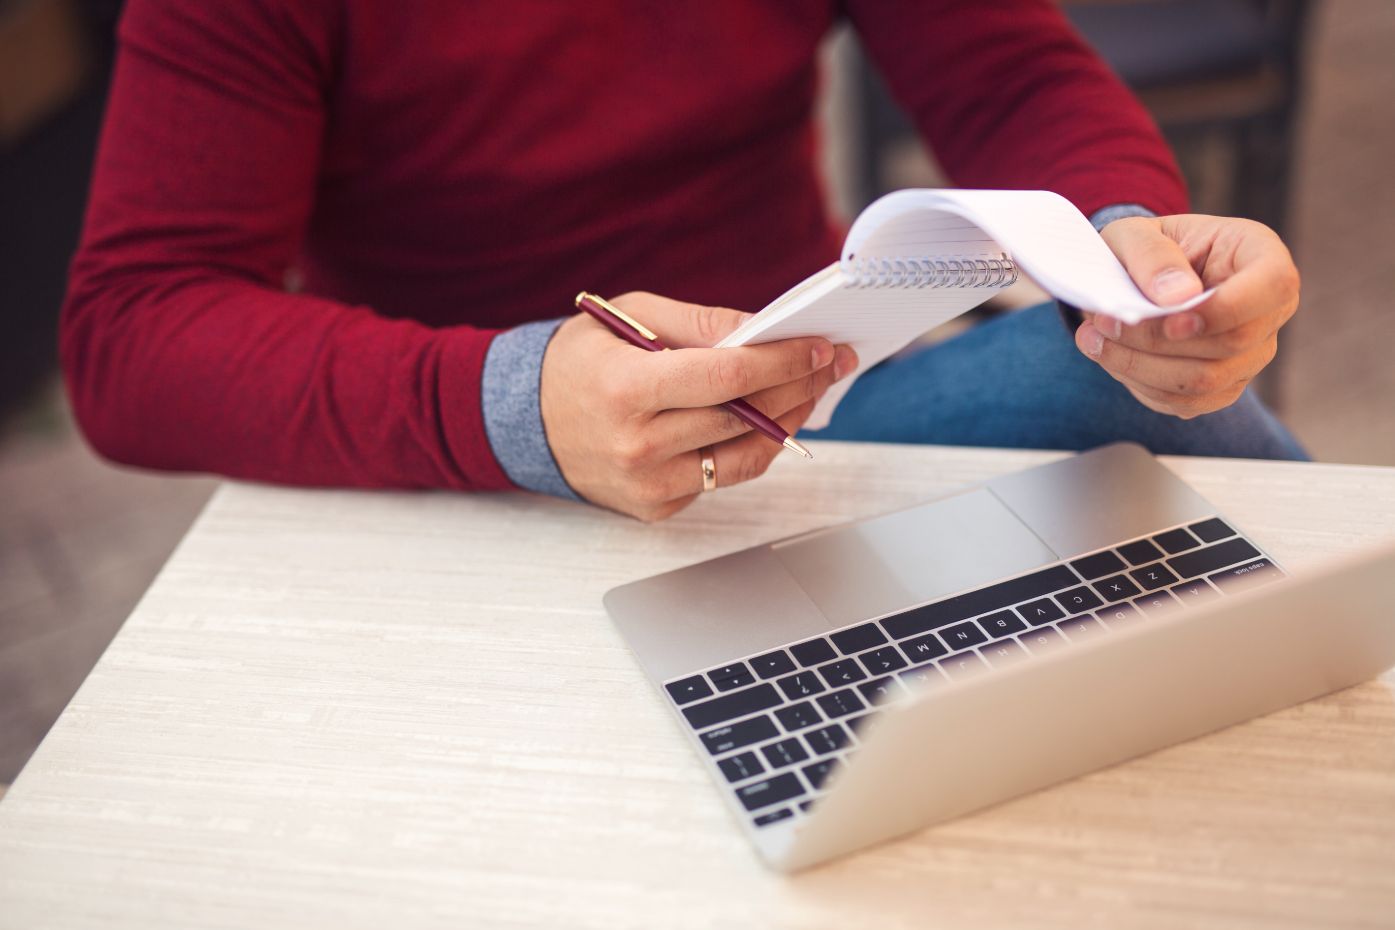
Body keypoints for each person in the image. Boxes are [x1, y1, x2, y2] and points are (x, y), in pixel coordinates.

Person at [61, 1, 1304, 522]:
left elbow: (1009, 70)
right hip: (457, 476)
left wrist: (1136, 245)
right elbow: (130, 335)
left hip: (805, 418)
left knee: (1130, 389)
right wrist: (520, 405)